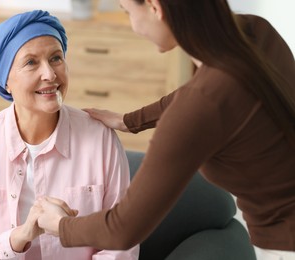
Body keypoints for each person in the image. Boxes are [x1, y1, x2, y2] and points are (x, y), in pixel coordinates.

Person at [35, 0, 295, 259]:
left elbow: (123, 228)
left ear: (154, 8)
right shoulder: (256, 32)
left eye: (128, 12)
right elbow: (207, 93)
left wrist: (60, 225)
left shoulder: (201, 105)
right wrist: (131, 120)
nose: (134, 26)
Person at [0, 10, 139, 260]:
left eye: (56, 58)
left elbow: (119, 247)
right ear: (6, 80)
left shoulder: (101, 140)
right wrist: (21, 236)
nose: (50, 74)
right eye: (31, 62)